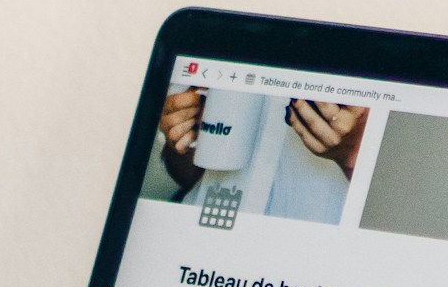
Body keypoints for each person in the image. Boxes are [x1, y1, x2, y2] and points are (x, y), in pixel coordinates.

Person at [153, 88, 368, 222]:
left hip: (310, 274)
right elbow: (184, 173)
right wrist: (183, 137)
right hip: (201, 240)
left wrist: (355, 154)